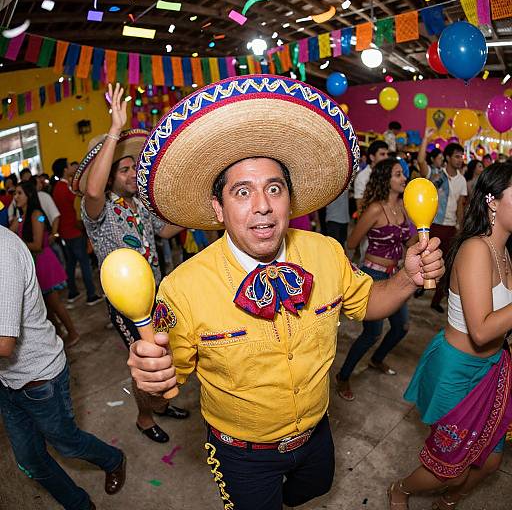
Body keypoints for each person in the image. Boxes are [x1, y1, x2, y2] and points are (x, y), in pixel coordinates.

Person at [125, 74, 444, 510]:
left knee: (312, 491)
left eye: (274, 188)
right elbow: (162, 386)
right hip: (241, 455)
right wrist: (147, 379)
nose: (262, 205)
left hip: (316, 434)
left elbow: (367, 303)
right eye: (242, 192)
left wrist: (407, 278)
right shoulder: (182, 289)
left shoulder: (326, 252)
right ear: (218, 209)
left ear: (290, 200)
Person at [389, 163, 512, 509]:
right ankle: (400, 488)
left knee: (490, 460)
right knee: (450, 469)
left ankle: (450, 499)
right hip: (456, 372)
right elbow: (482, 328)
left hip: (492, 369)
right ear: (492, 201)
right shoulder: (476, 249)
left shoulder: (505, 253)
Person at [76, 83, 189, 444]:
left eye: (133, 167)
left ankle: (158, 405)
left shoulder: (139, 204)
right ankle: (144, 417)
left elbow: (167, 232)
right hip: (126, 306)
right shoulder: (98, 210)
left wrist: (198, 212)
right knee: (145, 362)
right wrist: (114, 130)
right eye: (124, 169)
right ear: (109, 175)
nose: (132, 174)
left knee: (164, 356)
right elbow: (92, 191)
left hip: (155, 296)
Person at [0, 226, 126, 510]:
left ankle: (113, 458)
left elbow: (4, 343)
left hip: (39, 378)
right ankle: (79, 504)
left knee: (68, 444)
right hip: (7, 379)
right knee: (29, 460)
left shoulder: (3, 251)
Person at [336, 159, 415, 401]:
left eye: (403, 174)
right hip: (373, 275)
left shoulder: (404, 208)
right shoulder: (374, 209)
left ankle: (376, 359)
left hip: (395, 274)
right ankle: (343, 376)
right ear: (385, 179)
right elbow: (351, 242)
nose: (404, 179)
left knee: (401, 327)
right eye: (398, 174)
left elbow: (409, 242)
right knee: (372, 333)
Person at [10, 181, 80, 347]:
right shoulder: (22, 216)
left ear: (29, 195)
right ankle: (60, 332)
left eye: (19, 193)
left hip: (43, 262)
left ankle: (73, 333)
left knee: (54, 303)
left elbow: (37, 244)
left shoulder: (36, 214)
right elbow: (9, 232)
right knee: (46, 307)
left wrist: (18, 243)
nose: (15, 197)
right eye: (14, 193)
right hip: (34, 264)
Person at [419, 140, 467, 313]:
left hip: (450, 227)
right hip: (434, 223)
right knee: (425, 258)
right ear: (447, 157)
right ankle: (421, 284)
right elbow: (421, 162)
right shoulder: (437, 175)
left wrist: (460, 227)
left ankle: (436, 299)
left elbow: (461, 205)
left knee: (446, 264)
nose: (460, 159)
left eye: (461, 156)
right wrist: (426, 137)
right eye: (456, 156)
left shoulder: (462, 180)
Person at [52, 158, 102, 306]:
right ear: (64, 170)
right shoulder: (65, 188)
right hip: (73, 230)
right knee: (85, 264)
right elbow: (75, 207)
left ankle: (72, 292)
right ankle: (91, 295)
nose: (71, 167)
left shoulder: (57, 188)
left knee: (71, 263)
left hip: (65, 231)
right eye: (68, 165)